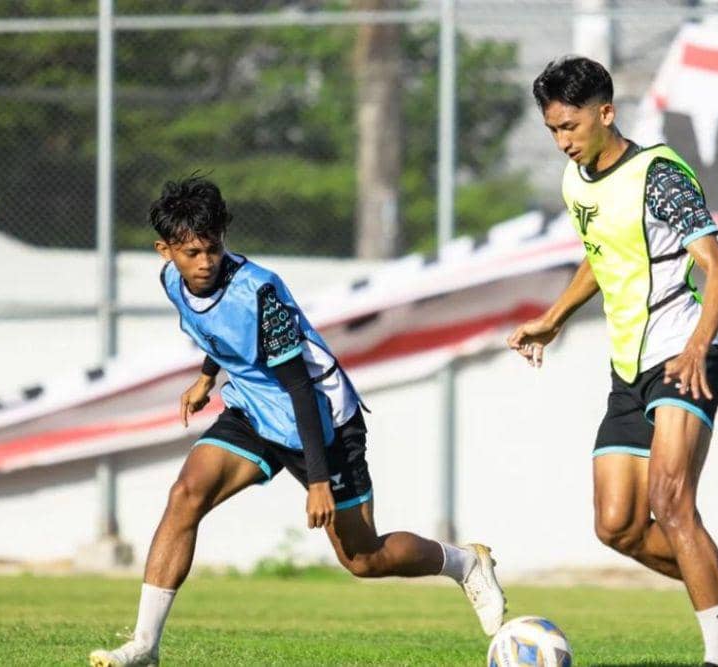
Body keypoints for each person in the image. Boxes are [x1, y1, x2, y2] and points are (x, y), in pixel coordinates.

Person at [89, 176, 505, 667]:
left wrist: (318, 481)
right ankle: (145, 646)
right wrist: (206, 378)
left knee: (362, 558)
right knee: (185, 495)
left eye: (213, 249)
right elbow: (218, 331)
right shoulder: (172, 282)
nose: (205, 262)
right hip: (253, 410)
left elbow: (301, 389)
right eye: (192, 253)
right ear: (165, 251)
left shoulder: (259, 295)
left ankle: (464, 563)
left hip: (322, 421)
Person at [507, 57, 718, 667]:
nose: (562, 141)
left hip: (685, 356)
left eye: (571, 126)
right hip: (628, 369)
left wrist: (697, 346)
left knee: (672, 503)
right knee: (618, 526)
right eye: (553, 130)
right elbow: (602, 254)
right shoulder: (576, 181)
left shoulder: (659, 175)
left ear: (606, 113)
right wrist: (554, 317)